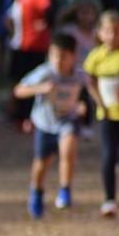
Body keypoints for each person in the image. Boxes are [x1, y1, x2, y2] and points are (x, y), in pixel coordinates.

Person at [13, 31, 88, 218]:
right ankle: (36, 193)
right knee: (41, 163)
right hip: (45, 124)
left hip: (67, 120)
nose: (58, 61)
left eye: (63, 56)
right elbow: (18, 90)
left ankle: (65, 190)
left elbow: (91, 89)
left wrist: (85, 106)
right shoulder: (45, 73)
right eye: (54, 56)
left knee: (68, 150)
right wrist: (40, 88)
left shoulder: (79, 75)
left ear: (73, 56)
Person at [83, 10, 119, 218]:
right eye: (107, 31)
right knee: (108, 154)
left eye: (116, 31)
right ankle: (109, 200)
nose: (112, 36)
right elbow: (90, 82)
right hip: (105, 113)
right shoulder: (96, 56)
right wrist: (99, 102)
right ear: (99, 33)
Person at [7, 0, 51, 129]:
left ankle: (24, 117)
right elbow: (49, 12)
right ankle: (21, 116)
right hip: (26, 45)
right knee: (25, 81)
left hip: (31, 44)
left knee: (26, 80)